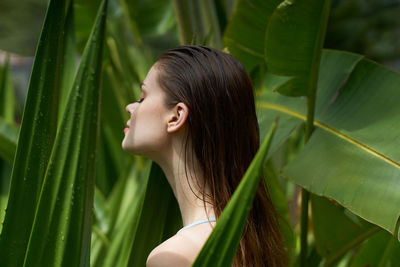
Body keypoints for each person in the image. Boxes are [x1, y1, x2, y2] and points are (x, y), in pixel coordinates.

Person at [122, 45, 287, 267]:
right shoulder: (250, 241)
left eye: (143, 97)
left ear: (176, 116)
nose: (129, 107)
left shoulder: (174, 256)